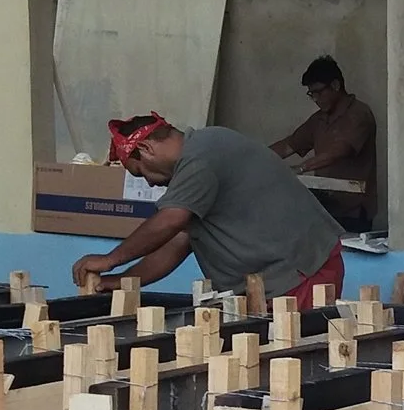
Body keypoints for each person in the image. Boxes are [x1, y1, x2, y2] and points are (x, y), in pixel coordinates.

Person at [68, 115, 346, 303]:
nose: (150, 183)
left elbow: (170, 221)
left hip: (302, 274)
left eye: (140, 173)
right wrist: (121, 282)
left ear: (146, 148)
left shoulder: (201, 155)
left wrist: (111, 259)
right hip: (276, 282)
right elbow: (178, 242)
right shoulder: (197, 163)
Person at [268, 56, 380, 234]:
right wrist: (256, 158)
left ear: (335, 85)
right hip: (325, 208)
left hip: (354, 212)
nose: (316, 99)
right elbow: (289, 145)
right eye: (311, 94)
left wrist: (301, 168)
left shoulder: (359, 114)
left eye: (319, 92)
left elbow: (340, 150)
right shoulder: (318, 119)